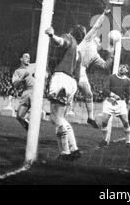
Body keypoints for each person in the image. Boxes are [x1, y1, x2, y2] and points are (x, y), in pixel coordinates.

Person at [45, 24, 85, 161]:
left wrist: (52, 35)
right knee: (61, 118)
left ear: (72, 31)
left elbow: (61, 42)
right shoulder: (79, 53)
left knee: (55, 118)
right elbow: (78, 76)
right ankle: (74, 149)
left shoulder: (69, 38)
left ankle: (65, 153)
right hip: (72, 83)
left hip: (61, 78)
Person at [76, 9, 114, 128]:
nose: (99, 40)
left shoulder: (96, 56)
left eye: (100, 41)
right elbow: (96, 27)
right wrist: (104, 14)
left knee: (89, 94)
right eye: (98, 39)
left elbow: (105, 66)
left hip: (81, 71)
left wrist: (111, 54)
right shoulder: (88, 39)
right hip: (72, 67)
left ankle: (90, 117)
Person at [98, 64, 130, 147]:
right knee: (104, 121)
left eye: (124, 67)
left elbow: (128, 94)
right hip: (109, 101)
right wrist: (113, 95)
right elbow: (105, 89)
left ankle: (128, 141)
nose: (121, 68)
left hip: (120, 103)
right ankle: (104, 140)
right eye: (120, 66)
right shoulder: (111, 77)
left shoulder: (128, 81)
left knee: (125, 122)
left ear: (127, 70)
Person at [11, 52, 35, 131]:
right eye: (26, 57)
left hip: (35, 91)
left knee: (34, 114)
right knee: (19, 116)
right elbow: (14, 84)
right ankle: (29, 129)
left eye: (29, 57)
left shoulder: (34, 66)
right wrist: (22, 78)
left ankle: (33, 131)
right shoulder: (18, 71)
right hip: (26, 92)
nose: (28, 58)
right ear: (21, 59)